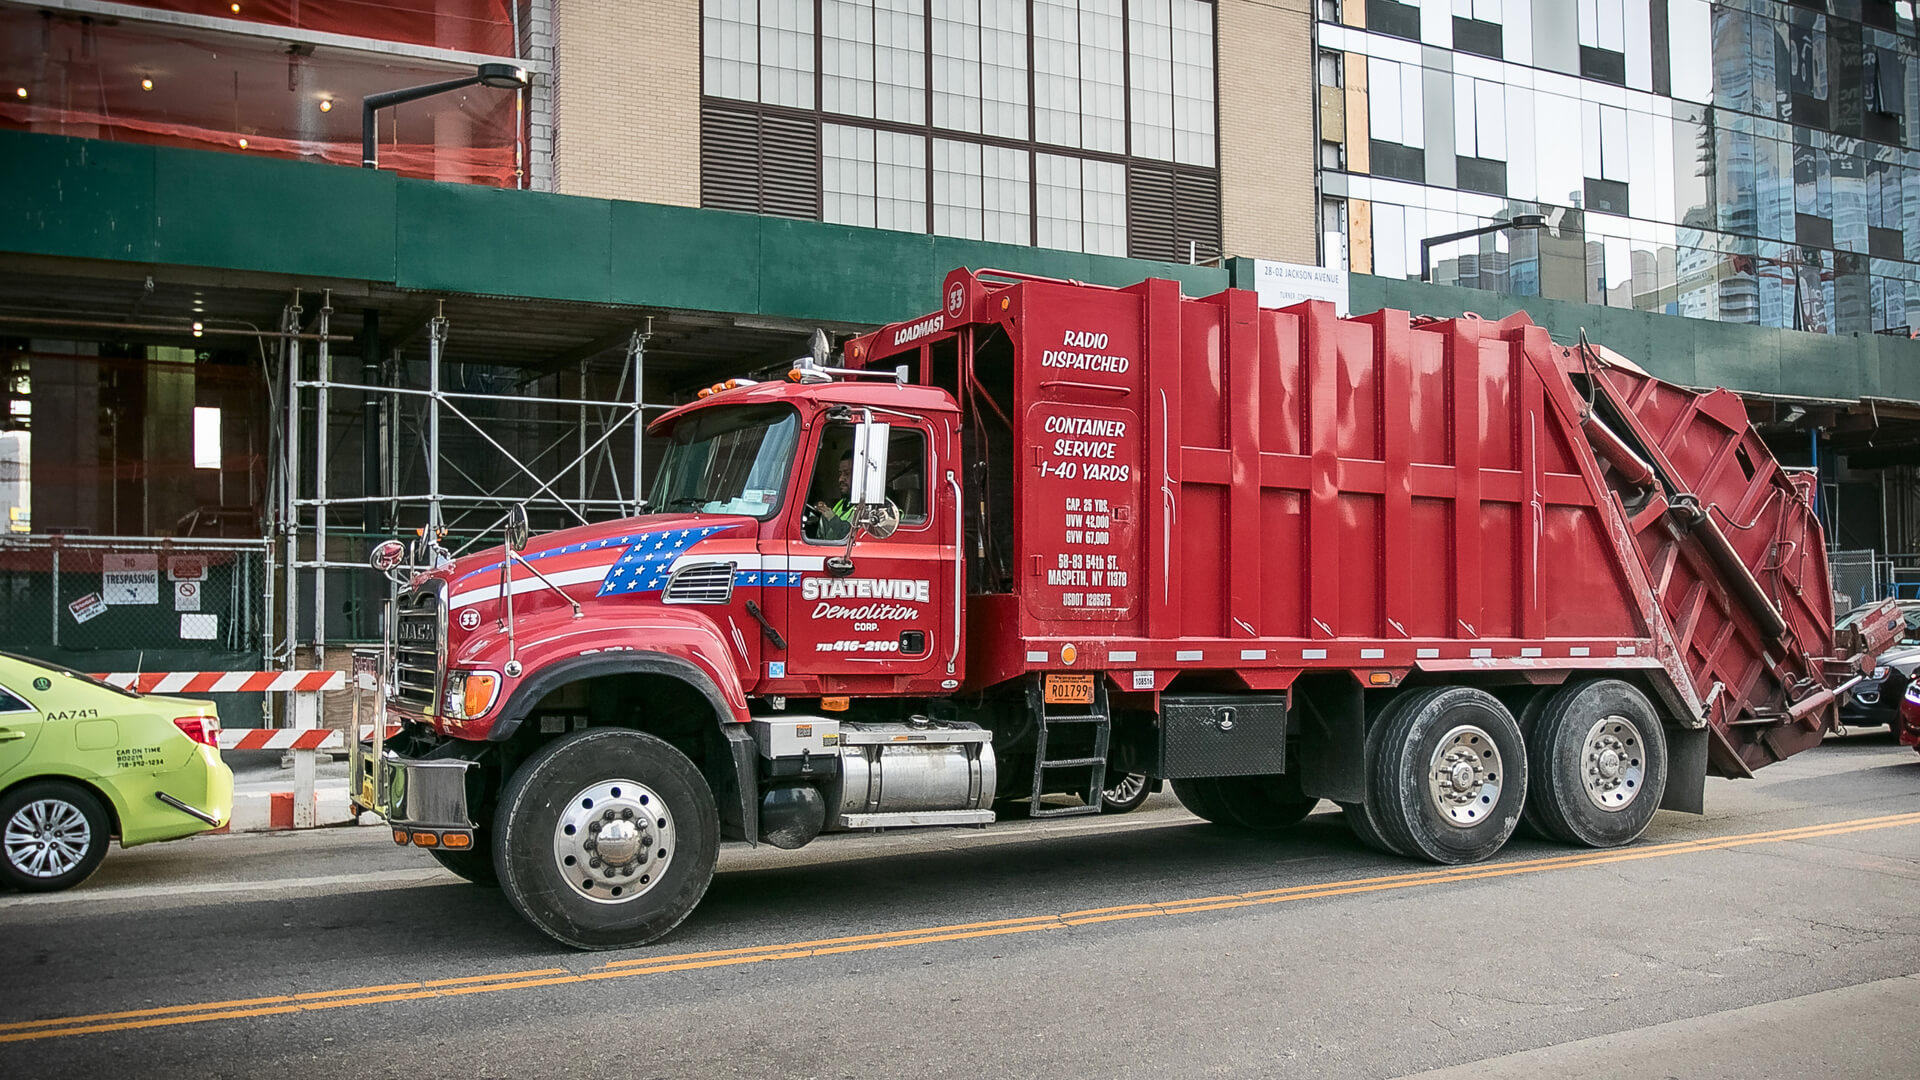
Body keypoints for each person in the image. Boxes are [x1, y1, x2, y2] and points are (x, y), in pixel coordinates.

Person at [809, 451, 856, 540]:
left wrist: (832, 518)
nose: (840, 479)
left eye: (846, 473)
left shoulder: (871, 508)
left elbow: (852, 537)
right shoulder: (840, 505)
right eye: (840, 474)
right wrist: (824, 513)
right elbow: (821, 539)